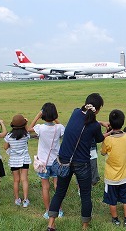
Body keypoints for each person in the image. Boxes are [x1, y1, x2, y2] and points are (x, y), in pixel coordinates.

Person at [47, 93, 107, 231]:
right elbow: (99, 138)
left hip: (64, 161)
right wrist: (106, 130)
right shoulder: (94, 126)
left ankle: (51, 224)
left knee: (60, 193)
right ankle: (85, 226)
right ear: (97, 109)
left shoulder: (75, 113)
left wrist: (99, 122)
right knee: (85, 195)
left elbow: (82, 122)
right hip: (82, 163)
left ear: (86, 104)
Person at [27, 103, 65, 219]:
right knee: (57, 186)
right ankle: (59, 210)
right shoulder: (59, 128)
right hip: (56, 161)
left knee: (45, 187)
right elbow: (64, 129)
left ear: (43, 114)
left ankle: (48, 210)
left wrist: (38, 116)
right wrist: (55, 118)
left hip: (43, 162)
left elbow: (28, 129)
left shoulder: (40, 128)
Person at [101, 109, 126, 227]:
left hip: (111, 177)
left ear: (110, 124)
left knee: (112, 200)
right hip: (125, 176)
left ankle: (115, 219)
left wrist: (108, 132)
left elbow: (103, 152)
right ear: (123, 122)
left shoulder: (107, 139)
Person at [4, 114, 31, 208]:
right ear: (23, 125)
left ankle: (17, 199)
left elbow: (5, 147)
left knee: (16, 180)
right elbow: (27, 131)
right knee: (24, 180)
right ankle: (26, 200)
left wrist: (10, 150)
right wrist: (26, 123)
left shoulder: (9, 136)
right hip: (24, 159)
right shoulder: (26, 135)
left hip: (14, 160)